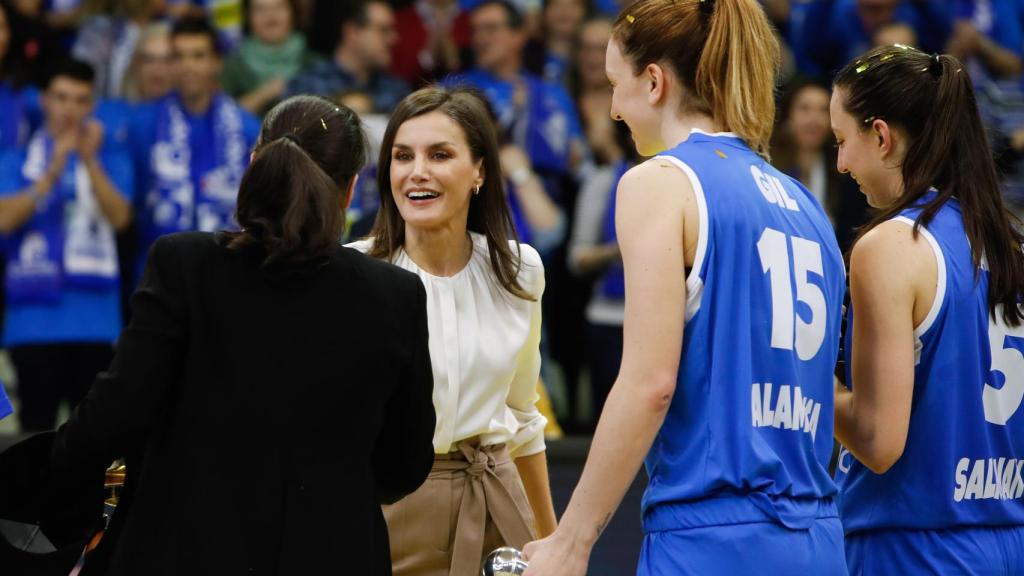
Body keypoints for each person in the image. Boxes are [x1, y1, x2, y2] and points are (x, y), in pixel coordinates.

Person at [0, 95, 436, 574]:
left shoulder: (184, 265)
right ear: (351, 190)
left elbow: (113, 417)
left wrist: (44, 491)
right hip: (333, 550)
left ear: (254, 164)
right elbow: (407, 462)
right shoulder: (396, 294)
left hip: (183, 548)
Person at [521, 0, 847, 574]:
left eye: (614, 85)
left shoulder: (659, 182)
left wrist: (571, 541)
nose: (614, 110)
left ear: (654, 81)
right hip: (818, 535)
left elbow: (651, 382)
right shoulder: (806, 204)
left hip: (713, 534)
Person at [830, 44, 1024, 574]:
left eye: (843, 141)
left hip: (913, 546)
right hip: (1008, 538)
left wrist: (806, 375)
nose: (841, 162)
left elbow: (877, 440)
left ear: (882, 135)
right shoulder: (1011, 245)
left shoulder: (891, 247)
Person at [348, 86, 557, 575]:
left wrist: (554, 544)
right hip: (384, 510)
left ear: (479, 171)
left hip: (496, 504)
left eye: (439, 155)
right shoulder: (352, 272)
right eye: (403, 156)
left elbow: (524, 420)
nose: (417, 171)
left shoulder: (520, 269)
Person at [0, 59, 133, 434]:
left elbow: (121, 217)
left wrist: (89, 161)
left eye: (79, 100)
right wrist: (52, 172)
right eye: (61, 98)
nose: (69, 109)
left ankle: (96, 498)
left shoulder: (112, 159)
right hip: (31, 322)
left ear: (91, 106)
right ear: (44, 100)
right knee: (34, 442)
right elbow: (4, 220)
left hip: (96, 322)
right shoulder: (15, 160)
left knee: (93, 444)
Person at [129, 16, 261, 281]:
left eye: (198, 56)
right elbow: (132, 205)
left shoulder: (246, 128)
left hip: (230, 275)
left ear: (217, 62)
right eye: (178, 57)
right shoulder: (142, 124)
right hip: (159, 275)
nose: (187, 66)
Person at [285, 1, 408, 113]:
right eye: (383, 30)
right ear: (353, 31)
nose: (393, 39)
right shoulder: (307, 87)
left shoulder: (397, 91)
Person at [220, 0, 323, 116]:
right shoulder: (232, 67)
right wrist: (264, 94)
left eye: (278, 7)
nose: (270, 15)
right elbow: (223, 118)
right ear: (248, 17)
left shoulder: (315, 63)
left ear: (293, 14)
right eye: (260, 9)